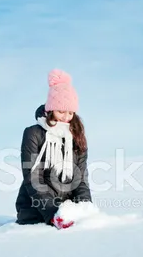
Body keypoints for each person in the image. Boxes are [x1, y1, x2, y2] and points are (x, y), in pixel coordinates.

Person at [15, 68, 92, 229]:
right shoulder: (34, 133)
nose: (66, 117)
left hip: (66, 213)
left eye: (70, 113)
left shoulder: (76, 136)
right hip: (35, 211)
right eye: (61, 111)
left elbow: (81, 179)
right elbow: (33, 178)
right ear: (50, 109)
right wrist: (53, 214)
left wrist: (86, 209)